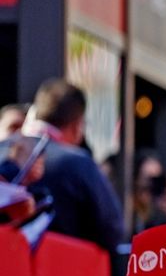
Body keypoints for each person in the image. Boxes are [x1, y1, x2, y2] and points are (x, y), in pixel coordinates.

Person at [0, 79, 123, 251]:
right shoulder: (78, 163)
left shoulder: (3, 149)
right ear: (77, 126)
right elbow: (112, 230)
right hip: (60, 271)